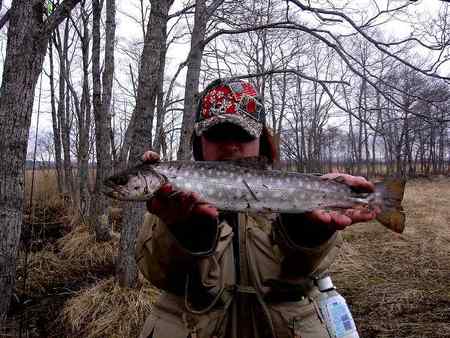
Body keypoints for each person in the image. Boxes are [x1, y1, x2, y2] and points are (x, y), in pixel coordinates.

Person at [136, 79, 378, 338]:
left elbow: (305, 271)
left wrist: (307, 233)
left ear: (261, 140)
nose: (230, 146)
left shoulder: (287, 190)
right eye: (217, 135)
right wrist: (183, 232)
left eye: (242, 135)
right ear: (199, 141)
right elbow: (156, 271)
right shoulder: (171, 199)